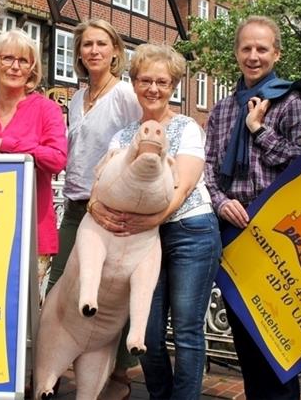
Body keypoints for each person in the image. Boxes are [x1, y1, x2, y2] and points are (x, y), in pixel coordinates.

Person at [90, 43, 221, 399]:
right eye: (145, 80)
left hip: (189, 231)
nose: (153, 88)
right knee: (146, 331)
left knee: (187, 328)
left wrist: (152, 220)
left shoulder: (187, 127)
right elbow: (104, 183)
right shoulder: (123, 136)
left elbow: (183, 185)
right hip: (143, 241)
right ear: (134, 84)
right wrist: (95, 209)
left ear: (173, 86)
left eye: (162, 82)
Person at [204, 16, 301, 399]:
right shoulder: (220, 110)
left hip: (277, 235)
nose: (253, 56)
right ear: (237, 53)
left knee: (280, 341)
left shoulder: (293, 102)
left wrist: (259, 131)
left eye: (262, 49)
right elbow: (208, 170)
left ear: (276, 53)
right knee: (245, 338)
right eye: (246, 48)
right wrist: (220, 203)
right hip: (234, 232)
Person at [44, 18, 141, 400]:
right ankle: (49, 369)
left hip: (113, 210)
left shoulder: (124, 95)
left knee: (112, 294)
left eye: (102, 44)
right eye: (87, 45)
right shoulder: (78, 97)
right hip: (75, 206)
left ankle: (118, 374)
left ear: (115, 50)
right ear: (79, 53)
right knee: (58, 290)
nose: (94, 51)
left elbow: (141, 146)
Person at [0, 29, 68, 289]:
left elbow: (57, 159)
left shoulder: (46, 109)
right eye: (7, 59)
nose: (15, 67)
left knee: (24, 318)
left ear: (32, 69)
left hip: (31, 230)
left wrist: (7, 144)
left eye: (23, 61)